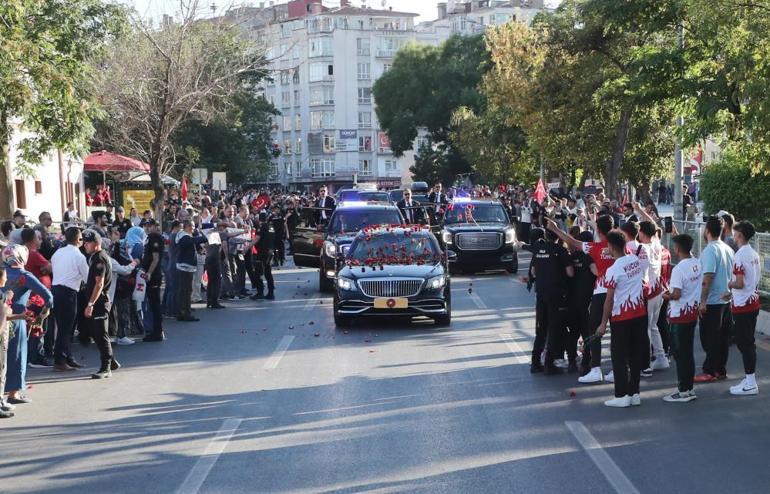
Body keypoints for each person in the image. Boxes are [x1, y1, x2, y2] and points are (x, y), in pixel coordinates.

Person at [547, 214, 616, 384]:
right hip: (620, 293)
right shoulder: (621, 246)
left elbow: (573, 242)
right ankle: (617, 368)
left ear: (598, 231)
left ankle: (595, 369)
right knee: (618, 333)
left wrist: (555, 229)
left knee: (595, 331)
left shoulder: (595, 248)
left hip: (601, 293)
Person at [596, 230, 647, 408]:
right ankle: (634, 393)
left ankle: (621, 395)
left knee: (619, 357)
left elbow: (609, 299)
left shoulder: (613, 270)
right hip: (640, 315)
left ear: (610, 247)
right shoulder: (635, 260)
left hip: (622, 318)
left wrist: (603, 324)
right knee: (635, 357)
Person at [1, 244, 53, 404]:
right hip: (17, 319)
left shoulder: (4, 272)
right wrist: (43, 314)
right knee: (17, 355)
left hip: (2, 317)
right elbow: (48, 297)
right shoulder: (24, 275)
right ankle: (13, 393)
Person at [662, 234, 702, 403]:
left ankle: (684, 390)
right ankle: (688, 387)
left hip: (679, 317)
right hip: (692, 314)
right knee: (687, 353)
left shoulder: (679, 269)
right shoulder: (697, 263)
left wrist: (666, 296)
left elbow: (676, 294)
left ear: (678, 249)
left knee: (680, 354)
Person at [529, 229, 574, 374]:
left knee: (541, 329)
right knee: (554, 329)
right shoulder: (561, 250)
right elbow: (570, 273)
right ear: (558, 236)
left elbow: (534, 272)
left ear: (546, 236)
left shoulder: (538, 249)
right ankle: (549, 363)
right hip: (556, 294)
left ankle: (535, 363)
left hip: (541, 293)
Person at [695, 216, 734, 383]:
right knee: (722, 338)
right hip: (725, 300)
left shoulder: (711, 250)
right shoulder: (728, 249)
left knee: (709, 337)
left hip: (713, 301)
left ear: (707, 231)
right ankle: (720, 369)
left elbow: (708, 276)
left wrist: (702, 301)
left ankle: (710, 370)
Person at [725, 221, 761, 396]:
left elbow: (739, 282)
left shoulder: (740, 256)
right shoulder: (754, 254)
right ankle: (749, 379)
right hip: (752, 303)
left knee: (744, 344)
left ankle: (751, 382)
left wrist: (730, 284)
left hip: (743, 307)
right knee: (748, 343)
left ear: (740, 235)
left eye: (735, 232)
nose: (733, 235)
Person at [51, 227, 89, 372]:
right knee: (66, 328)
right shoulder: (78, 256)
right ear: (77, 239)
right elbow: (87, 277)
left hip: (57, 290)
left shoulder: (58, 253)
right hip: (68, 292)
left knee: (65, 327)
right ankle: (60, 360)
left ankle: (68, 357)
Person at [0, 266, 36, 417]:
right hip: (1, 337)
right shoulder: (2, 295)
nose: (7, 279)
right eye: (5, 276)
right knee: (1, 370)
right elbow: (3, 317)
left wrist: (21, 316)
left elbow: (6, 316)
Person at [80, 230, 117, 379]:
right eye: (84, 242)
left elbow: (99, 283)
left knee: (101, 334)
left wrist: (90, 304)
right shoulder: (94, 257)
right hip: (97, 301)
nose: (85, 245)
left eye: (88, 242)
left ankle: (106, 367)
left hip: (99, 302)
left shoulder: (99, 259)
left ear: (96, 244)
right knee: (96, 333)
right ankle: (111, 360)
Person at [22, 229, 54, 368]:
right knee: (38, 327)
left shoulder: (27, 253)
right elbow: (50, 267)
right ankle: (36, 357)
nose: (40, 240)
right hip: (38, 297)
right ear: (32, 239)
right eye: (38, 238)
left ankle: (35, 355)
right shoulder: (33, 254)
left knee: (37, 326)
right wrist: (47, 268)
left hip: (36, 295)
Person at [565, 229, 596, 374]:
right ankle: (585, 362)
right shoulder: (590, 258)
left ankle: (571, 361)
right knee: (586, 333)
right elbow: (597, 272)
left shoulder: (572, 256)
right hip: (586, 301)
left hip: (572, 301)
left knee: (573, 333)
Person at [175, 220, 207, 321]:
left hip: (185, 266)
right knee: (186, 290)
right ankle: (186, 313)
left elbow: (192, 244)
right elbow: (193, 241)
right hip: (185, 267)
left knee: (184, 290)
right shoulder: (184, 236)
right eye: (192, 226)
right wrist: (205, 236)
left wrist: (198, 250)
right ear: (187, 227)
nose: (194, 229)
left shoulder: (184, 236)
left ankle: (182, 311)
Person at [141, 220, 165, 342]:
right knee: (153, 304)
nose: (147, 228)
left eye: (149, 226)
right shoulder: (150, 237)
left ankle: (157, 332)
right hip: (151, 274)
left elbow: (155, 258)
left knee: (154, 305)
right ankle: (157, 331)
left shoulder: (154, 238)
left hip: (153, 275)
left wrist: (149, 272)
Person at [250, 212, 275, 300]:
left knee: (258, 273)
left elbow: (257, 239)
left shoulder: (262, 227)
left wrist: (247, 247)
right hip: (270, 252)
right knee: (268, 273)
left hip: (262, 253)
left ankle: (260, 293)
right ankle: (271, 293)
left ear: (259, 219)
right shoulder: (271, 227)